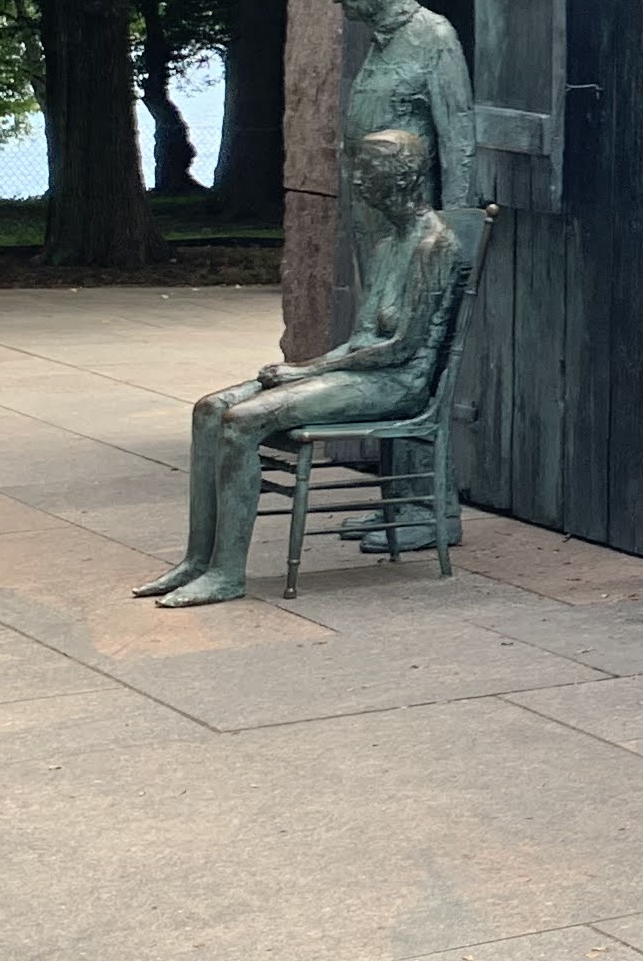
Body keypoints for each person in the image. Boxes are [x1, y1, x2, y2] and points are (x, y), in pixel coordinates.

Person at [146, 129, 466, 609]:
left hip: (398, 384)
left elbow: (400, 349)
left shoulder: (434, 246)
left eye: (367, 169)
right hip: (361, 370)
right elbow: (361, 339)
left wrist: (302, 373)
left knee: (242, 419)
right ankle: (198, 559)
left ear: (400, 177)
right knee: (209, 409)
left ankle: (227, 573)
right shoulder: (387, 244)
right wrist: (307, 368)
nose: (357, 179)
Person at [332, 0, 474, 240]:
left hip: (408, 221)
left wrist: (457, 229)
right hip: (369, 212)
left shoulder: (435, 37)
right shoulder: (381, 40)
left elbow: (457, 140)